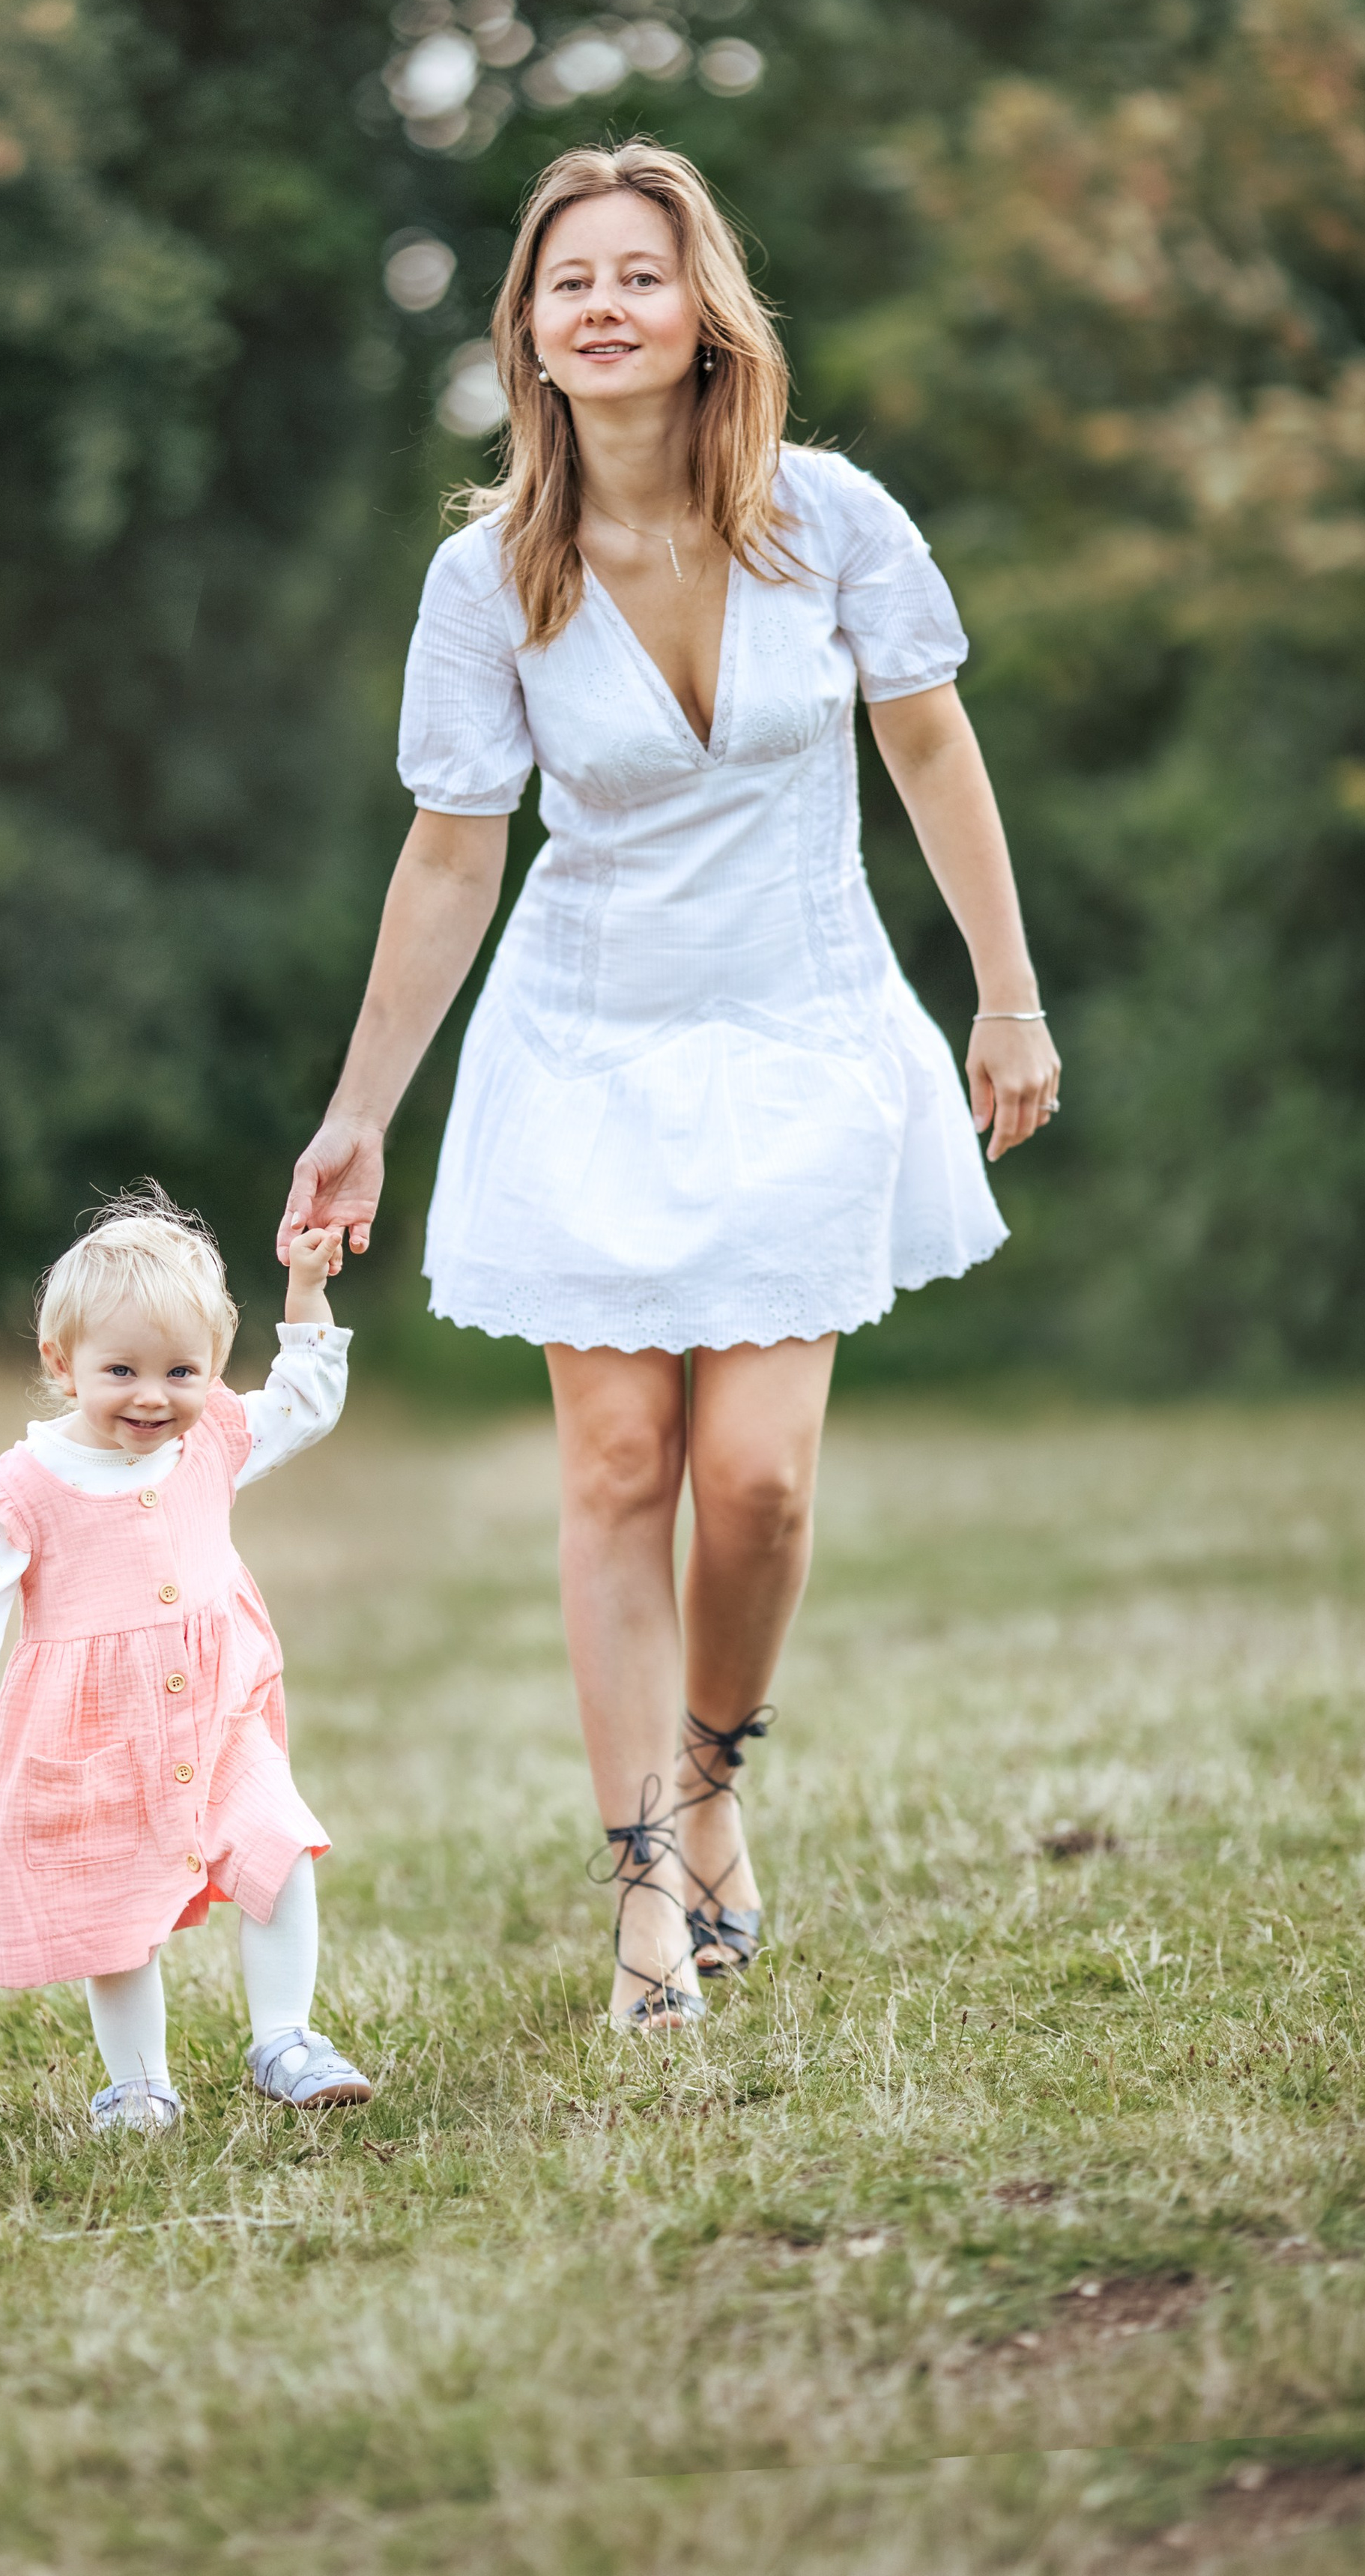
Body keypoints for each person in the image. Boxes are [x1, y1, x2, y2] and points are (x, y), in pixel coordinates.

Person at [280, 142, 1059, 2032]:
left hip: (801, 1029)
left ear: (704, 306)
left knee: (763, 1485)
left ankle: (712, 1774)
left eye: (640, 271)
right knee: (618, 1467)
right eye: (569, 283)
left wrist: (1006, 996)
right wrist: (360, 1106)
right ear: (528, 337)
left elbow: (933, 750)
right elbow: (452, 853)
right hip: (583, 1043)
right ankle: (643, 1879)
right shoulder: (488, 579)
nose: (605, 304)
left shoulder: (831, 518)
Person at [0, 1184, 373, 2126]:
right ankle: (138, 2083)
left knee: (280, 1849)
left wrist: (307, 1294)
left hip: (221, 1709)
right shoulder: (28, 1485)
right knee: (113, 1914)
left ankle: (283, 2038)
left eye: (182, 1372)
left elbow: (305, 1401)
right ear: (62, 1364)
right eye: (120, 1370)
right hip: (96, 1732)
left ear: (211, 1370)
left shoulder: (212, 1444)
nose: (152, 1396)